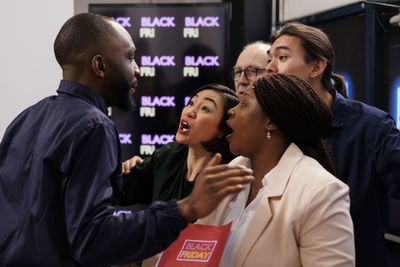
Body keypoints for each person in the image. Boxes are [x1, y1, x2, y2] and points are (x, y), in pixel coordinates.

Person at [0, 13, 254, 267]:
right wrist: (185, 209)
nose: (137, 69)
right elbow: (93, 239)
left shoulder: (27, 116)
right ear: (100, 65)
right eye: (130, 58)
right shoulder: (94, 126)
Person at [265, 22, 400, 267]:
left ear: (317, 66)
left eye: (282, 57)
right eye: (269, 59)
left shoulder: (371, 126)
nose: (270, 68)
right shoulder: (272, 128)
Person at [198, 73, 355, 267]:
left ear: (271, 122)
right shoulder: (229, 173)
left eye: (244, 104)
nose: (231, 111)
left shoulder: (321, 191)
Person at [118, 83, 239, 205]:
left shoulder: (228, 175)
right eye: (191, 103)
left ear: (222, 129)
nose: (190, 112)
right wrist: (125, 170)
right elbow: (115, 191)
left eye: (205, 108)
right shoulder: (169, 155)